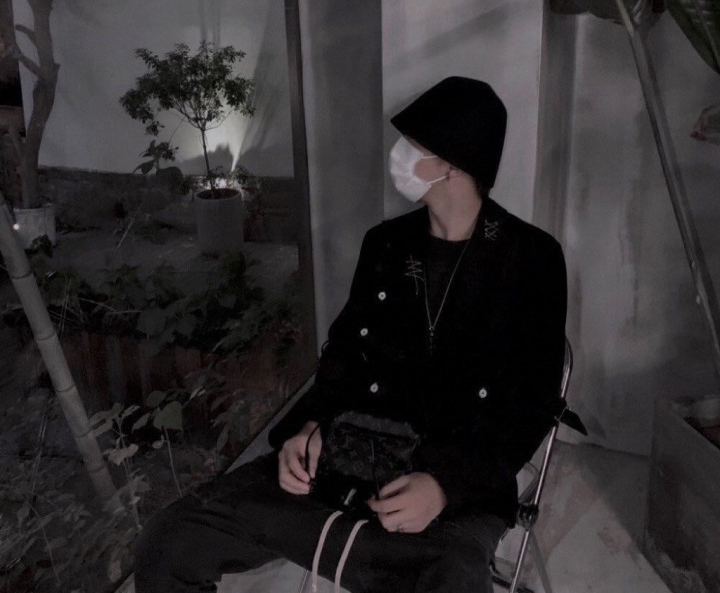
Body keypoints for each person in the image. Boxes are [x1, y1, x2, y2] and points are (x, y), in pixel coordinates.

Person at [134, 76, 582, 593]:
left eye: (413, 146)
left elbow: (530, 406)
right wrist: (305, 430)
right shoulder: (386, 244)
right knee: (169, 540)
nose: (399, 155)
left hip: (453, 483)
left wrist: (443, 486)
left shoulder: (531, 260)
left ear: (455, 165)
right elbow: (344, 358)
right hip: (346, 459)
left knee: (452, 580)